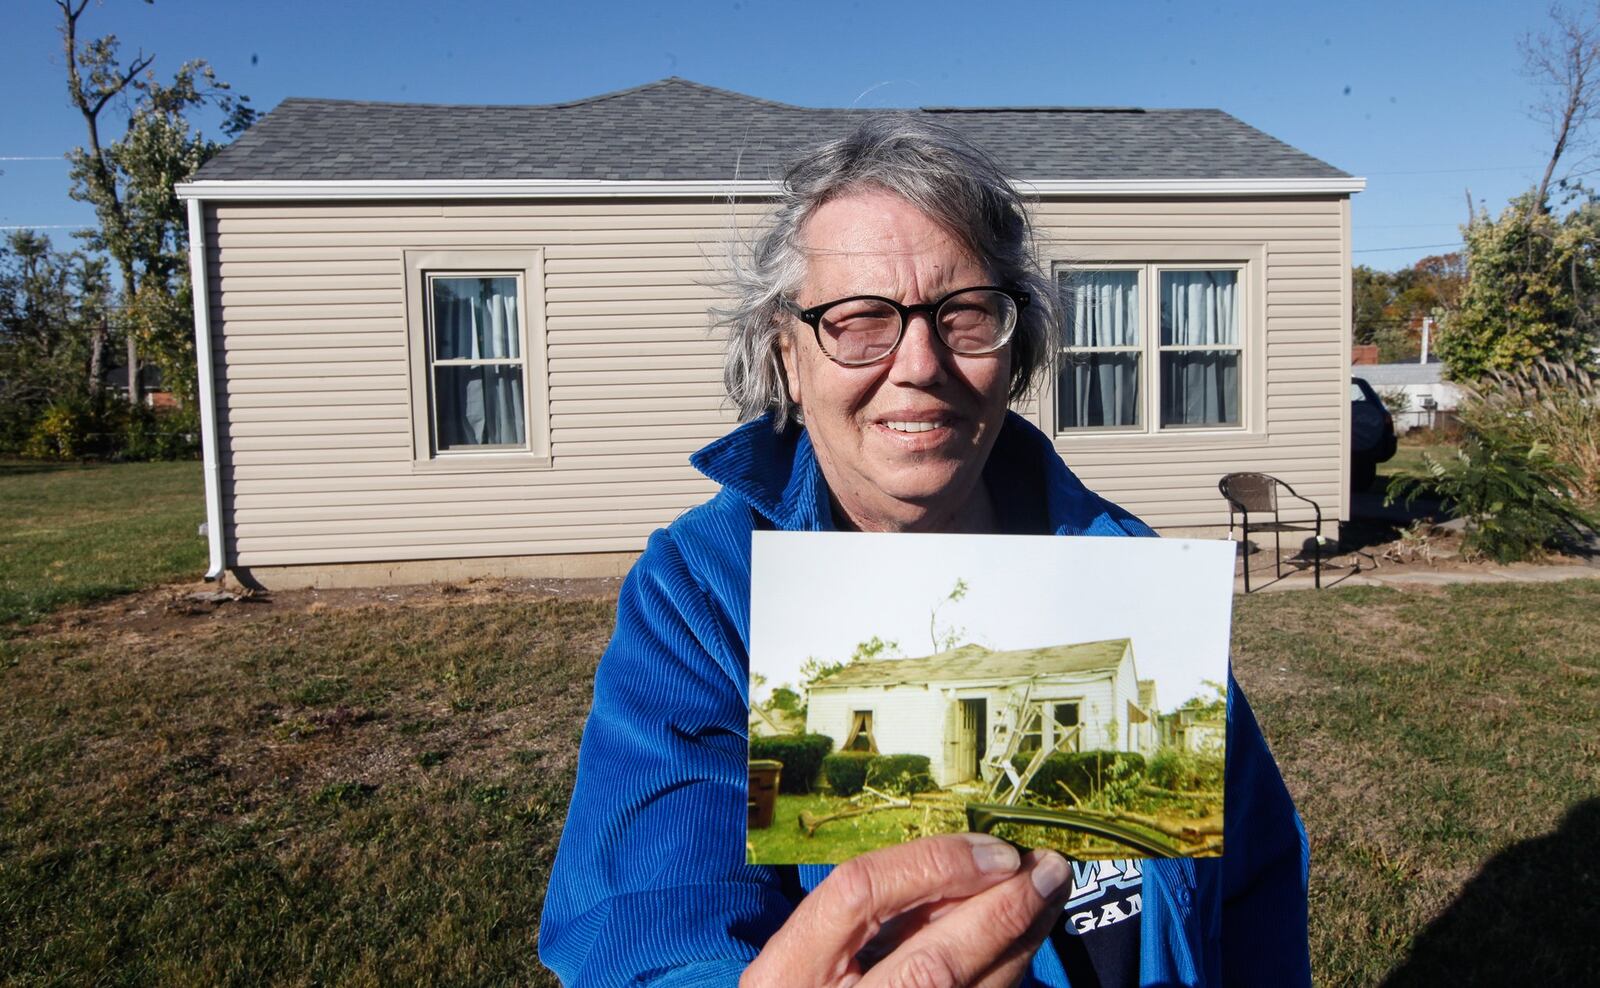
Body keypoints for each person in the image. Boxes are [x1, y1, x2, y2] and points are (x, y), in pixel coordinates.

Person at [539, 116, 1311, 987]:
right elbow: (650, 934)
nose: (919, 363)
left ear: (1015, 346)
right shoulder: (706, 592)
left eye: (965, 314)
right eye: (859, 320)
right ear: (786, 356)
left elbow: (1251, 890)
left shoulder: (1123, 568)